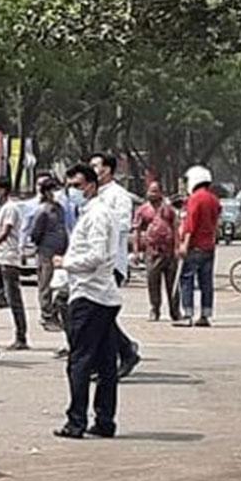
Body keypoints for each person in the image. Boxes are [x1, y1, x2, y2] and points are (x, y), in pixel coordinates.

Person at [55, 163, 121, 439]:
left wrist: (65, 262)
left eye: (78, 186)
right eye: (69, 186)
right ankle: (104, 420)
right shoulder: (92, 213)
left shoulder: (97, 215)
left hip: (90, 295)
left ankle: (76, 420)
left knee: (80, 361)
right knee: (105, 363)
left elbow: (96, 256)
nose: (73, 192)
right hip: (101, 294)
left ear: (92, 186)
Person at [88, 153, 140, 377]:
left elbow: (122, 226)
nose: (92, 169)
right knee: (96, 314)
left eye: (95, 166)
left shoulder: (119, 196)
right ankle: (117, 353)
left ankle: (124, 351)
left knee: (100, 314)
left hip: (110, 263)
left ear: (107, 169)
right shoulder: (93, 195)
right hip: (92, 263)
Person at [0, 177, 28, 349]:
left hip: (9, 258)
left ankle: (21, 337)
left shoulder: (11, 208)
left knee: (13, 298)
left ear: (3, 190)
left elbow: (5, 231)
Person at [176, 166, 221, 327]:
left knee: (187, 279)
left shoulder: (195, 199)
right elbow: (216, 222)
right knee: (206, 282)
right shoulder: (214, 199)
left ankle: (188, 314)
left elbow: (190, 225)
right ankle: (205, 314)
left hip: (195, 247)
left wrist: (184, 245)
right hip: (209, 246)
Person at [133, 181, 181, 319]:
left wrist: (177, 248)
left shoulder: (169, 210)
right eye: (150, 191)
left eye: (155, 191)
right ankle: (155, 309)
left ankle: (175, 311)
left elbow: (176, 228)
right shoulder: (142, 210)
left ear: (161, 193)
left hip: (169, 252)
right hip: (152, 252)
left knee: (172, 283)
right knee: (152, 282)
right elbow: (136, 230)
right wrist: (136, 251)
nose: (151, 194)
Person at [29, 176, 69, 330]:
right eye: (53, 190)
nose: (56, 193)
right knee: (45, 285)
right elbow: (35, 233)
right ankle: (46, 316)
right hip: (46, 252)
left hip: (60, 252)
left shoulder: (59, 209)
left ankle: (55, 312)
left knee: (60, 284)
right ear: (46, 192)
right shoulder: (43, 210)